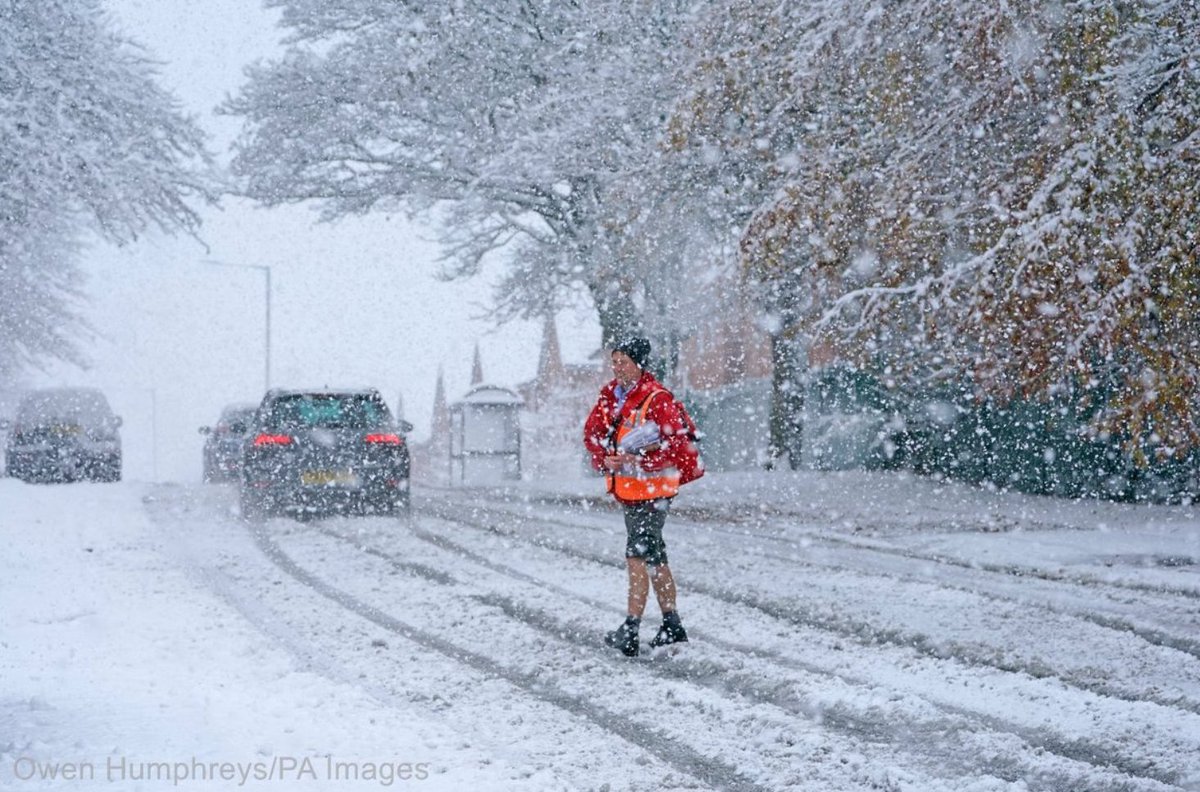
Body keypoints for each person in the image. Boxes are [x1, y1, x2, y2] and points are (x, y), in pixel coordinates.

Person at [583, 336, 703, 656]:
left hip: (653, 492)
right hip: (630, 491)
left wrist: (642, 461)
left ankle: (631, 628)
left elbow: (677, 445)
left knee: (636, 555)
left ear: (639, 364)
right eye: (615, 361)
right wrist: (603, 458)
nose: (617, 367)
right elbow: (592, 433)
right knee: (654, 555)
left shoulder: (656, 398)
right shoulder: (611, 397)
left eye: (623, 361)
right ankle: (671, 624)